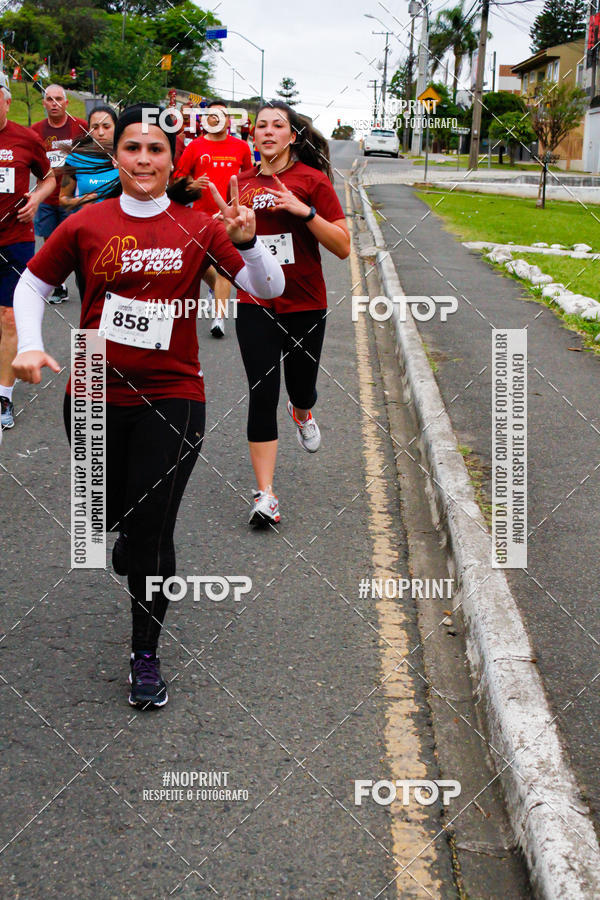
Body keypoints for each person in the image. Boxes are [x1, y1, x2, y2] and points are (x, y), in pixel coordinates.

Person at [12, 103, 284, 708]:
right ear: (118, 156)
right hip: (90, 393)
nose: (143, 158)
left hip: (173, 393)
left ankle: (144, 654)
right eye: (132, 147)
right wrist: (29, 345)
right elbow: (32, 283)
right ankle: (123, 535)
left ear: (170, 159)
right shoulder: (87, 223)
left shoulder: (199, 225)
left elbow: (267, 290)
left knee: (154, 530)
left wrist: (252, 242)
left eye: (155, 149)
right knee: (105, 520)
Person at [233, 101, 350, 528]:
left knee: (301, 388)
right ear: (253, 135)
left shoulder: (312, 181)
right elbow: (229, 245)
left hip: (305, 303)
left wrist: (305, 212)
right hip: (256, 305)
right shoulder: (241, 184)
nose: (267, 131)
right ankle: (266, 494)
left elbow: (343, 246)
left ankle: (302, 411)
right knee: (262, 393)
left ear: (292, 136)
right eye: (260, 125)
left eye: (277, 125)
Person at [0, 83, 56, 431]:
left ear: (6, 103)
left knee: (9, 318)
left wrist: (36, 199)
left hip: (15, 240)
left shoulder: (25, 138)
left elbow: (49, 178)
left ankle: (3, 393)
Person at [174, 99, 252, 337]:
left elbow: (249, 179)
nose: (217, 120)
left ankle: (218, 317)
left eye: (222, 116)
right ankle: (214, 290)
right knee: (201, 267)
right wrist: (192, 184)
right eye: (212, 116)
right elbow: (178, 177)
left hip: (227, 220)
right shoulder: (195, 147)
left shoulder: (241, 147)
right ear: (205, 120)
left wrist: (240, 207)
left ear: (229, 121)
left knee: (224, 269)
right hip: (199, 217)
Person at [31, 83, 87, 303]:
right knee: (50, 242)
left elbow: (96, 154)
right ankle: (59, 286)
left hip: (72, 197)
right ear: (44, 103)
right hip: (46, 196)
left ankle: (84, 282)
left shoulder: (80, 127)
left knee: (76, 243)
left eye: (58, 99)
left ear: (66, 102)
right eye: (49, 99)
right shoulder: (36, 130)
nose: (53, 104)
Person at [59, 105, 120, 211]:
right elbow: (63, 199)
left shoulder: (128, 157)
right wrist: (80, 200)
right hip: (87, 223)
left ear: (117, 127)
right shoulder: (76, 159)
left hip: (121, 224)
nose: (101, 133)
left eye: (106, 127)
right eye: (95, 127)